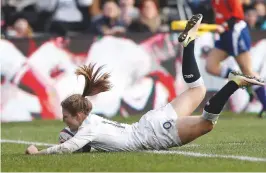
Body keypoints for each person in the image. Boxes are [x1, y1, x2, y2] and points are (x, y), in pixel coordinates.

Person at [25, 14, 264, 154]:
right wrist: (70, 132)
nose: (63, 119)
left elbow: (68, 148)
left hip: (152, 135)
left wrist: (39, 153)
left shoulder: (88, 129)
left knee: (206, 124)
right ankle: (189, 44)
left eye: (66, 116)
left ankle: (233, 83)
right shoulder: (91, 120)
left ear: (78, 114)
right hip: (149, 123)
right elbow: (80, 141)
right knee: (197, 90)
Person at [205, 0, 266, 116]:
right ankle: (238, 79)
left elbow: (238, 14)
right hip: (224, 34)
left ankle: (264, 101)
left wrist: (225, 25)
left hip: (236, 32)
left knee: (248, 71)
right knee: (211, 66)